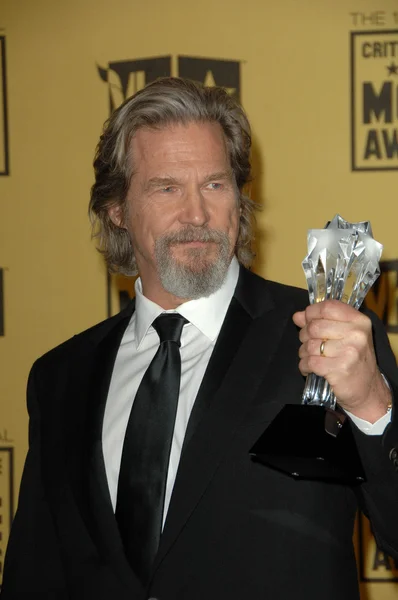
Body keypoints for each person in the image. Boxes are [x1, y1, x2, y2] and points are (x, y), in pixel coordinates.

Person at [2, 77, 398, 600]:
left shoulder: (327, 332)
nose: (197, 214)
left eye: (214, 184)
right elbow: (35, 573)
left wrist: (373, 406)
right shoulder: (60, 376)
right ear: (116, 209)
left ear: (239, 198)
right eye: (167, 187)